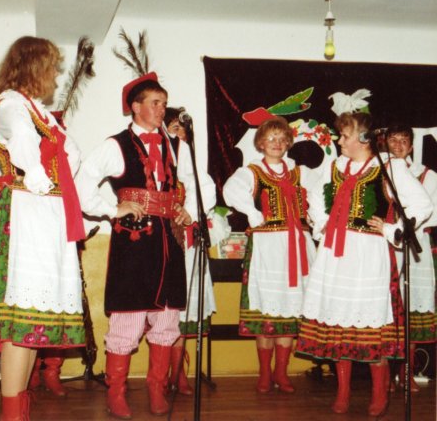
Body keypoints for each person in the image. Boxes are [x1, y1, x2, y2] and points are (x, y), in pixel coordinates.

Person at [0, 36, 87, 421]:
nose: (55, 75)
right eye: (51, 67)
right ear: (34, 66)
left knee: (33, 322)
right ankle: (12, 414)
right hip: (26, 213)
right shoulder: (11, 106)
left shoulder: (39, 112)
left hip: (44, 214)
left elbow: (71, 159)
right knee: (22, 320)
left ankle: (18, 410)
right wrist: (42, 185)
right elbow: (24, 149)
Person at [295, 111, 433, 416]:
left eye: (345, 136)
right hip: (335, 253)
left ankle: (379, 393)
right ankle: (343, 392)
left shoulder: (389, 166)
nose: (340, 141)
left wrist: (392, 229)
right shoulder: (336, 166)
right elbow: (314, 198)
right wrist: (323, 223)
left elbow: (422, 204)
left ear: (364, 139)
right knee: (339, 321)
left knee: (372, 322)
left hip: (368, 253)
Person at [75, 72, 195, 418]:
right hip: (134, 242)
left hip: (169, 241)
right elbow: (82, 183)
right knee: (129, 317)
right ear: (135, 107)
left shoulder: (177, 145)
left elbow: (195, 182)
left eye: (164, 103)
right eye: (155, 103)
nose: (162, 110)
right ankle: (116, 393)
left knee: (167, 317)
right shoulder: (116, 145)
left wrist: (185, 209)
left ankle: (157, 388)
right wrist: (111, 209)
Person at [223, 116, 316, 394]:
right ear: (261, 143)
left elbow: (320, 199)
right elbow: (230, 191)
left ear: (288, 143)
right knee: (267, 310)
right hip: (267, 247)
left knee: (289, 310)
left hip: (297, 246)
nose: (277, 143)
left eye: (282, 138)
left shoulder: (301, 172)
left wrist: (318, 223)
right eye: (271, 138)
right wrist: (252, 213)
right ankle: (264, 372)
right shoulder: (251, 172)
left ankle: (281, 372)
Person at [164, 107, 217, 396]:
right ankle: (163, 374)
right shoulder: (158, 168)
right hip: (164, 244)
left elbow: (205, 193)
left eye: (183, 130)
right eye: (174, 129)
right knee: (167, 309)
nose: (180, 135)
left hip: (188, 243)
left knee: (185, 308)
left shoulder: (193, 173)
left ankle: (178, 373)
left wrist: (192, 214)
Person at [384, 125, 437, 392]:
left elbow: (431, 213)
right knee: (386, 306)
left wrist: (405, 229)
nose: (398, 145)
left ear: (412, 146)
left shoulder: (428, 175)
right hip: (383, 243)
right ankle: (384, 372)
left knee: (412, 309)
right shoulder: (378, 171)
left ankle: (406, 372)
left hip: (416, 247)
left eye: (403, 140)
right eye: (393, 140)